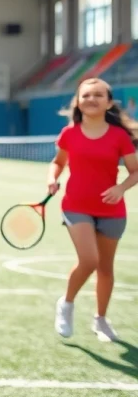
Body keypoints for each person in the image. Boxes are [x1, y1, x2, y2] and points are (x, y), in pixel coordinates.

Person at [48, 77, 138, 342]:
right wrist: (52, 178)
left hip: (112, 210)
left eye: (98, 95)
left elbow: (135, 171)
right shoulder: (70, 133)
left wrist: (121, 188)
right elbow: (57, 163)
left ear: (109, 103)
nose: (91, 99)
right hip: (76, 206)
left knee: (106, 269)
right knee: (89, 260)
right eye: (86, 95)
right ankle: (66, 303)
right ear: (78, 102)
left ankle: (100, 319)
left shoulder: (119, 136)